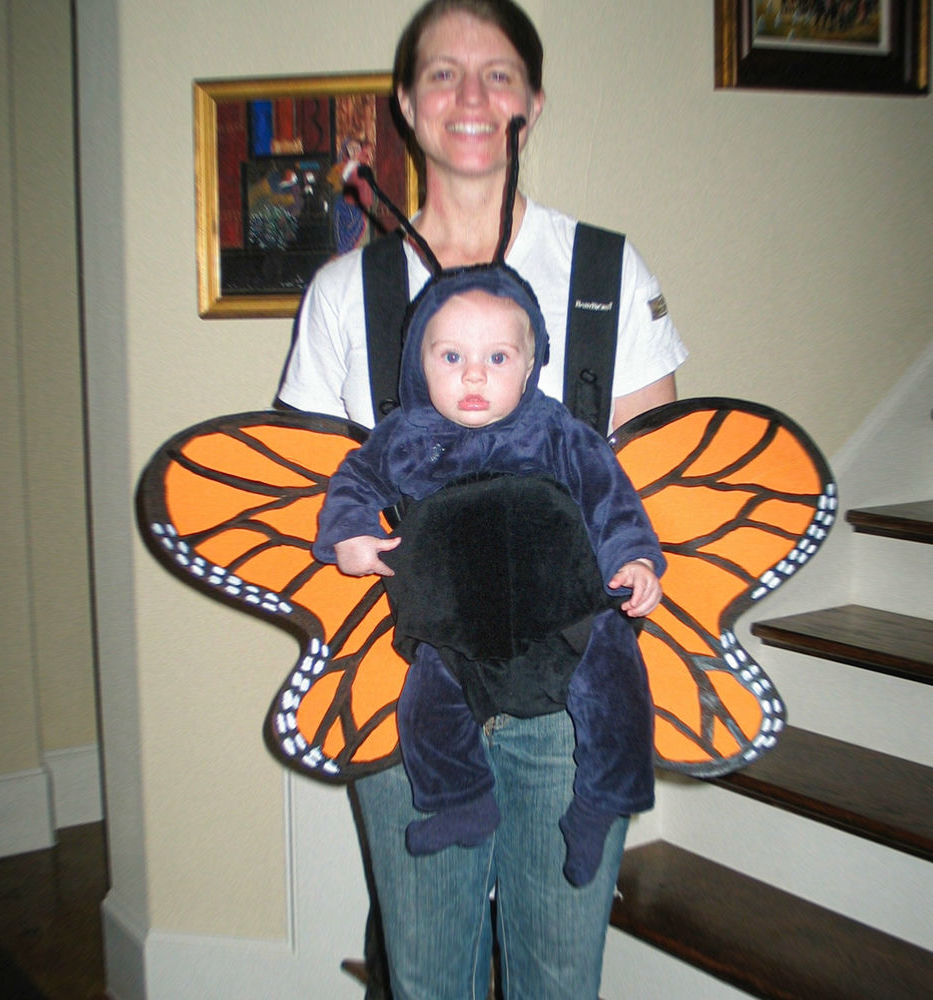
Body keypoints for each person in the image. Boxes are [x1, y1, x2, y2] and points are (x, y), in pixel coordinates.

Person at [276, 2, 688, 995]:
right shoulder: (345, 291)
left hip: (572, 692)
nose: (469, 95)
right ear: (406, 105)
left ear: (532, 103)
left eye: (497, 73)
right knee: (428, 979)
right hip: (409, 681)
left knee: (560, 977)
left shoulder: (604, 273)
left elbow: (656, 480)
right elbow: (309, 487)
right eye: (442, 73)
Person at [312, 266, 664, 889]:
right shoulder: (405, 437)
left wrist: (633, 558)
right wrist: (350, 531)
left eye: (497, 358)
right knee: (426, 704)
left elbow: (610, 497)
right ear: (419, 362)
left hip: (568, 611)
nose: (474, 375)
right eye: (452, 357)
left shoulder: (558, 431)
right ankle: (462, 801)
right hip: (455, 626)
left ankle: (603, 800)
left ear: (529, 367)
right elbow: (355, 480)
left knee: (616, 678)